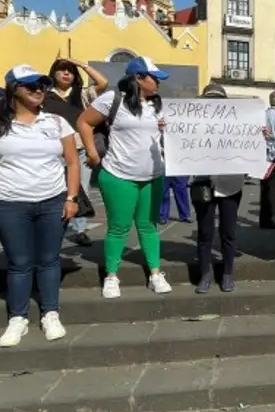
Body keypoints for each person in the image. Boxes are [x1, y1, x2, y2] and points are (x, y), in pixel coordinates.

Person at [0, 65, 80, 347]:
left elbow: (72, 162)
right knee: (20, 263)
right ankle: (18, 318)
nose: (38, 90)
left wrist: (71, 198)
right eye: (30, 86)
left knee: (49, 260)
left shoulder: (56, 123)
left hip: (52, 200)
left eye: (41, 85)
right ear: (13, 89)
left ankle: (50, 313)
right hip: (9, 203)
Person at [76, 56, 172, 298]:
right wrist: (90, 151)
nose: (159, 83)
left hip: (154, 175)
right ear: (138, 78)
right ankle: (111, 275)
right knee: (118, 227)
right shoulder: (112, 99)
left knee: (148, 226)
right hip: (119, 174)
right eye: (155, 78)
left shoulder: (159, 104)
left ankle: (156, 273)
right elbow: (84, 122)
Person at [42, 57, 108, 246]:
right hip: (53, 150)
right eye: (62, 70)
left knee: (82, 189)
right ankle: (54, 225)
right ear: (53, 73)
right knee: (54, 188)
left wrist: (81, 64)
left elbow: (103, 83)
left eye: (70, 70)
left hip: (79, 148)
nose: (66, 73)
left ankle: (80, 229)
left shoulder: (81, 94)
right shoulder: (45, 96)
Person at [191, 83, 246, 293]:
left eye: (217, 101)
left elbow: (250, 147)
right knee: (205, 232)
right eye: (209, 101)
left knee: (228, 231)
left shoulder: (237, 125)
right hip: (203, 183)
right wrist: (168, 130)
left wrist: (260, 135)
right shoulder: (194, 125)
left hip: (230, 184)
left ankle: (228, 273)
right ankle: (205, 273)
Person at [259, 90, 275, 229]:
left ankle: (263, 218)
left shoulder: (263, 114)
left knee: (264, 188)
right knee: (273, 189)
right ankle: (271, 219)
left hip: (264, 156)